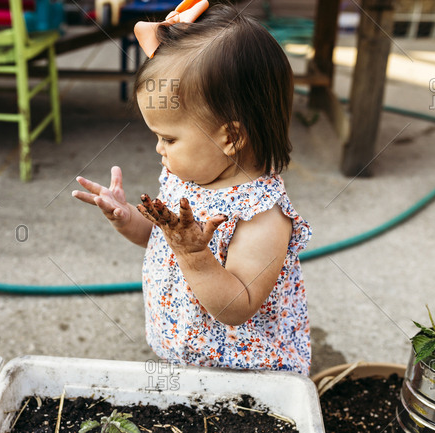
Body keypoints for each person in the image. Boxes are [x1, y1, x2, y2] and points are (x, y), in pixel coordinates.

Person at [72, 3, 312, 374]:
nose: (158, 149)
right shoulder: (184, 178)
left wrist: (195, 255)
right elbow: (163, 238)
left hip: (241, 371)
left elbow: (236, 307)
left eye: (168, 137)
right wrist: (127, 219)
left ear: (230, 136)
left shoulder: (262, 216)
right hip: (186, 351)